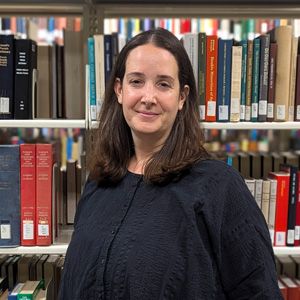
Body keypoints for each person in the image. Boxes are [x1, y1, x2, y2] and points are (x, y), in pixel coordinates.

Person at [58, 28, 283, 300]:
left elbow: (259, 292)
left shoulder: (220, 187)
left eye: (163, 84)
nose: (148, 97)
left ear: (182, 97)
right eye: (136, 81)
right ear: (119, 90)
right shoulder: (99, 181)